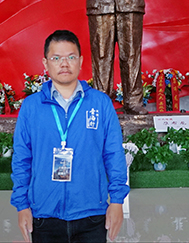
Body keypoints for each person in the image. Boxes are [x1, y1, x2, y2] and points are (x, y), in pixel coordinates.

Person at [11, 30, 129, 242]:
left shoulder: (100, 103)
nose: (64, 64)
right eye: (56, 58)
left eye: (71, 57)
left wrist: (117, 201)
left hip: (92, 214)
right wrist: (22, 205)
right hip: (44, 214)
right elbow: (22, 158)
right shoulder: (31, 106)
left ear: (81, 61)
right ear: (45, 63)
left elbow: (113, 154)